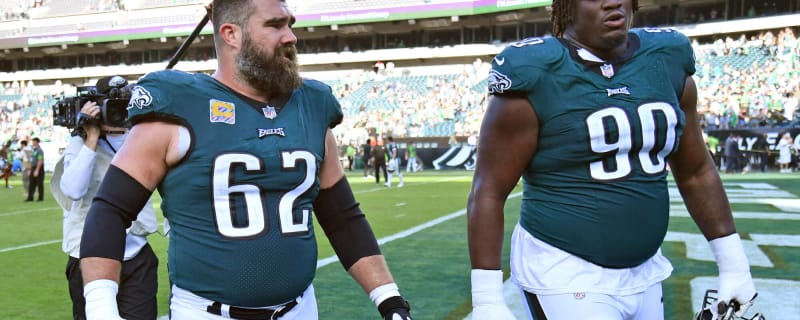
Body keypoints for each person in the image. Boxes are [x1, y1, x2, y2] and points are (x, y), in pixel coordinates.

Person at [78, 1, 412, 319]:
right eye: (274, 24)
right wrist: (101, 308)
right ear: (231, 34)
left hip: (300, 310)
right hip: (206, 313)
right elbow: (110, 209)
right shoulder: (180, 106)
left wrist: (389, 300)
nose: (291, 37)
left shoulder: (312, 105)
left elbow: (342, 218)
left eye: (290, 24)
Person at [467, 0, 759, 319]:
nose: (611, 1)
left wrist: (734, 266)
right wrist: (487, 300)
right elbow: (489, 190)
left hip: (645, 270)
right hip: (563, 269)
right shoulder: (536, 70)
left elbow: (696, 172)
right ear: (567, 6)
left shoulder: (665, 59)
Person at [51, 76, 160, 320]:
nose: (119, 111)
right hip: (88, 255)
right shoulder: (80, 142)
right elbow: (74, 189)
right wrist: (90, 138)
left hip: (135, 252)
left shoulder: (142, 137)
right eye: (113, 104)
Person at [25, 137, 44, 202]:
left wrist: (37, 170)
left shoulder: (39, 150)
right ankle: (30, 197)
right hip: (33, 167)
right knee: (31, 183)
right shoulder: (33, 150)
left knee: (39, 183)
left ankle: (40, 198)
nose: (33, 143)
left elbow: (40, 160)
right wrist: (29, 169)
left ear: (37, 142)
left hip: (38, 168)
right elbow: (31, 160)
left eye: (34, 142)